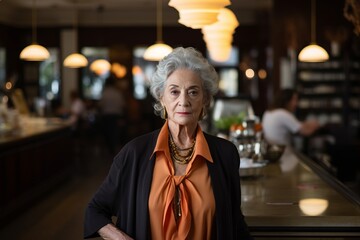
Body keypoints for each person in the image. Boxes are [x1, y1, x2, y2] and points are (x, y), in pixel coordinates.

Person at [84, 47, 253, 240]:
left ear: (205, 100)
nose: (184, 101)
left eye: (193, 92)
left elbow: (234, 221)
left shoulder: (225, 154)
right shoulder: (134, 153)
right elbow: (94, 211)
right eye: (174, 91)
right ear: (161, 98)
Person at [98, 74, 126, 154]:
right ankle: (114, 150)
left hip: (106, 116)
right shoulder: (118, 93)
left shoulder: (104, 93)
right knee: (115, 134)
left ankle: (109, 150)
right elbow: (123, 106)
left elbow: (100, 105)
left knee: (107, 134)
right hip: (116, 116)